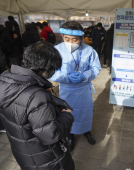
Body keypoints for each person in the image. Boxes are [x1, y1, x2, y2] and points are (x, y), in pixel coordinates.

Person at [0, 41, 75, 170]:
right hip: (46, 159)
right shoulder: (36, 95)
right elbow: (50, 135)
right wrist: (66, 116)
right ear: (46, 70)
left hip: (23, 152)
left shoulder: (5, 80)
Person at [50, 21, 101, 150]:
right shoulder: (56, 51)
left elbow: (96, 68)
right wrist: (66, 77)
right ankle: (71, 135)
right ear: (62, 36)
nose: (71, 43)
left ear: (81, 38)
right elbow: (51, 72)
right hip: (67, 90)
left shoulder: (89, 50)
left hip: (83, 90)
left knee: (85, 112)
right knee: (69, 113)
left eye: (75, 40)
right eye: (67, 39)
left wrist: (85, 75)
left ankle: (86, 131)